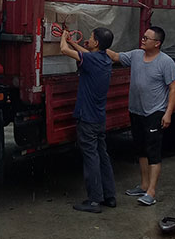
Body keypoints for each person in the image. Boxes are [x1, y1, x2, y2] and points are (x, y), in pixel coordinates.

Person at [106, 25, 175, 206]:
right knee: (141, 149)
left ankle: (151, 192)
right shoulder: (136, 55)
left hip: (154, 112)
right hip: (136, 111)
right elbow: (115, 57)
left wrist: (168, 114)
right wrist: (99, 46)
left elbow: (173, 89)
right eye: (143, 37)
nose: (143, 40)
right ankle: (144, 185)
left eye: (147, 38)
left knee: (153, 152)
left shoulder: (166, 62)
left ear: (157, 43)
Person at [61, 27, 117, 213]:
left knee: (91, 158)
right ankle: (110, 196)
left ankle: (94, 201)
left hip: (87, 118)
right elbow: (86, 54)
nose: (89, 39)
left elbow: (63, 50)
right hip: (99, 118)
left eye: (92, 38)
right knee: (103, 156)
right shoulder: (105, 59)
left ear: (97, 43)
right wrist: (73, 42)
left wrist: (64, 38)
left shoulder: (92, 59)